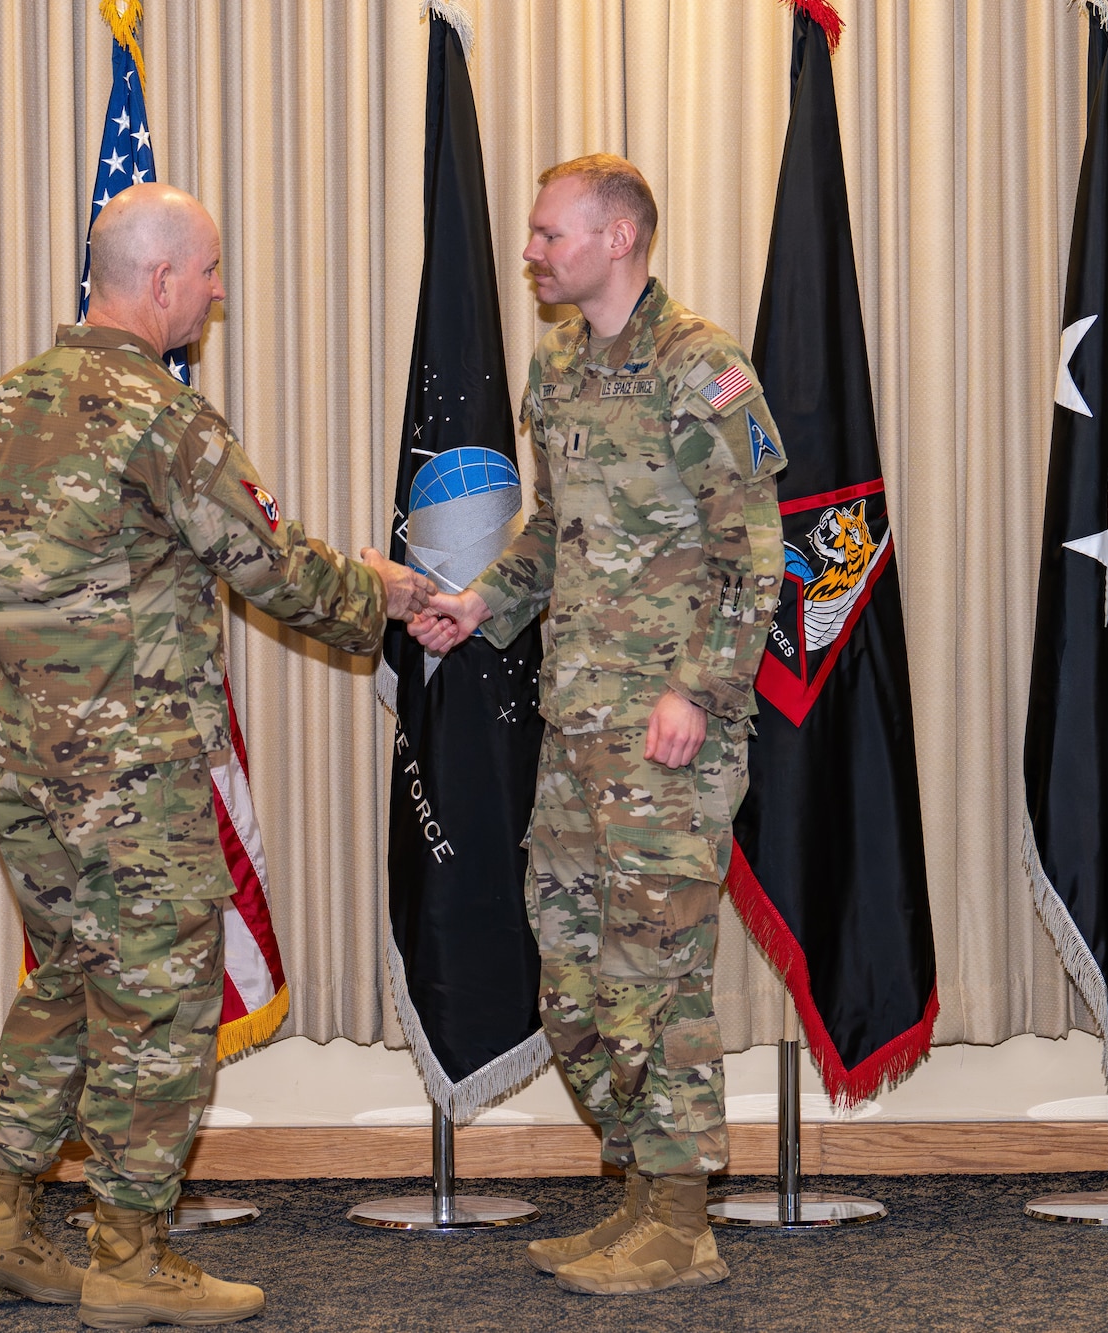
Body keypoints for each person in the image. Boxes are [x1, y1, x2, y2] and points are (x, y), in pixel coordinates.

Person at [0, 182, 430, 1327]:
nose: (216, 291)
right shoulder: (158, 417)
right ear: (158, 280)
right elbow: (274, 568)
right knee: (159, 998)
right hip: (136, 779)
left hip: (27, 776)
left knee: (63, 981)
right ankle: (130, 1252)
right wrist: (385, 594)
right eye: (207, 272)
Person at [410, 154, 786, 1296]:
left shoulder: (700, 367)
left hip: (669, 733)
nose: (530, 252)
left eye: (548, 235)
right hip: (575, 731)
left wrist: (697, 691)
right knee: (574, 979)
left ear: (617, 238)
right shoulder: (559, 366)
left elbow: (753, 553)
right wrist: (482, 605)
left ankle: (680, 1223)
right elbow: (552, 536)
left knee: (653, 975)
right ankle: (636, 1195)